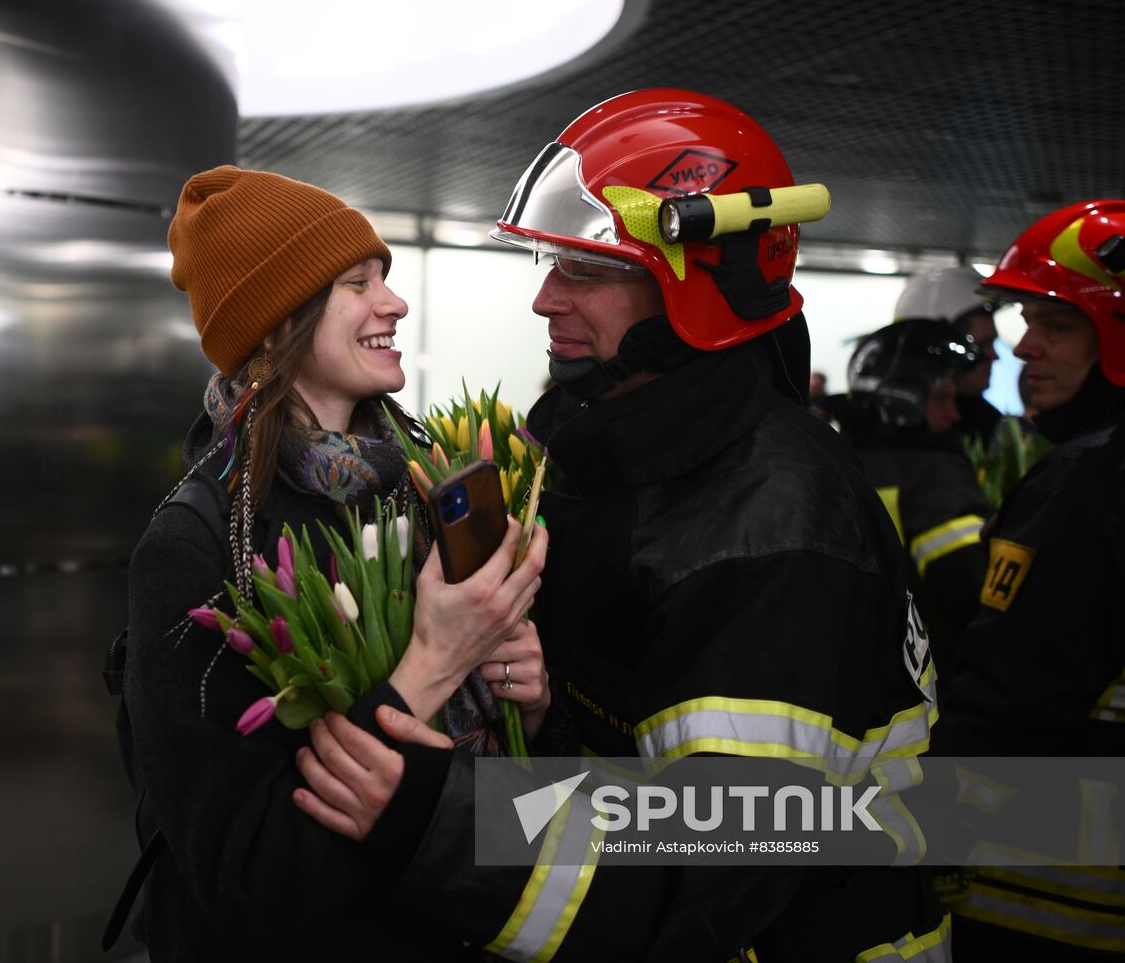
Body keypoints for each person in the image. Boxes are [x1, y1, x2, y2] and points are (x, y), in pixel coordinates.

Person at [291, 90, 947, 962]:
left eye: (589, 272)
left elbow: (708, 870)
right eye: (548, 264)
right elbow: (637, 729)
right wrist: (549, 696)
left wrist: (440, 820)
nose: (544, 300)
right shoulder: (603, 453)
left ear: (704, 288)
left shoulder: (774, 527)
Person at [118, 166, 549, 962]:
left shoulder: (422, 485)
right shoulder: (197, 544)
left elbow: (494, 796)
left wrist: (520, 694)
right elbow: (244, 878)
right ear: (279, 324)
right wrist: (428, 665)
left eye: (385, 275)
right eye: (358, 282)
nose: (395, 302)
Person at [937, 200, 1125, 960]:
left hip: (1042, 899)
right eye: (1026, 320)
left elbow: (1007, 694)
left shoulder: (1086, 482)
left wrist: (926, 835)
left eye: (1056, 325)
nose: (1022, 349)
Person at [833, 319, 991, 668]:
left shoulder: (835, 460)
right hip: (925, 678)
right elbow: (973, 589)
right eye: (943, 398)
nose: (954, 414)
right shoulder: (933, 475)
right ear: (905, 401)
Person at [895, 266, 1004, 446]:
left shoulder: (992, 427)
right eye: (982, 345)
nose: (995, 356)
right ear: (936, 346)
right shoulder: (892, 438)